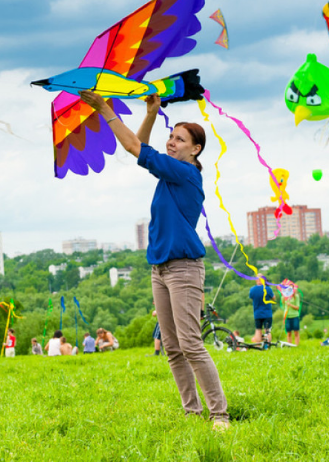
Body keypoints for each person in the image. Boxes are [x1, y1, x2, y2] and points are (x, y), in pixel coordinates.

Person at [79, 90, 230, 430]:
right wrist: (150, 113)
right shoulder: (169, 173)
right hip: (160, 269)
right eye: (171, 136)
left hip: (184, 268)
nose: (172, 142)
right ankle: (192, 413)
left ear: (195, 149)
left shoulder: (186, 173)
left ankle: (219, 413)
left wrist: (104, 108)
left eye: (180, 138)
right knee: (173, 347)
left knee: (191, 343)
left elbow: (135, 148)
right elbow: (140, 148)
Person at [249, 278, 276, 344]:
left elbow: (251, 298)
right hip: (267, 313)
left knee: (258, 330)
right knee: (267, 330)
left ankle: (258, 345)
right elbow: (273, 298)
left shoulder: (252, 289)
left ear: (256, 280)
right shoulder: (267, 288)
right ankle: (268, 345)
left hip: (257, 313)